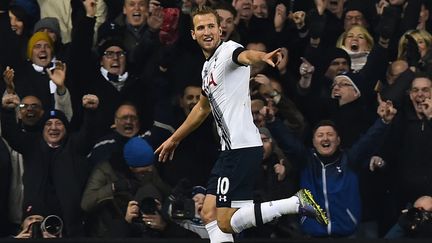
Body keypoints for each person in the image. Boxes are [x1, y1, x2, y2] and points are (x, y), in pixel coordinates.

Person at [156, 6, 327, 243]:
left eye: (211, 26)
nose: (207, 31)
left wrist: (262, 56)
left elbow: (246, 55)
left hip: (241, 149)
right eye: (201, 27)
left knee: (225, 221)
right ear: (193, 34)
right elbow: (202, 108)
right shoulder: (207, 68)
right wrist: (175, 138)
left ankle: (295, 203)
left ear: (220, 30)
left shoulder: (228, 50)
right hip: (229, 151)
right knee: (208, 214)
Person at [265, 94, 398, 237]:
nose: (325, 138)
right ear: (314, 141)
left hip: (347, 234)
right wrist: (272, 122)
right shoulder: (306, 160)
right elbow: (288, 143)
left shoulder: (349, 160)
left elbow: (368, 142)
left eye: (330, 134)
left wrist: (383, 122)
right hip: (312, 234)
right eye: (320, 135)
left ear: (338, 140)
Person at [1, 93, 100, 237]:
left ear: (66, 129)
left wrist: (91, 112)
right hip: (36, 223)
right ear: (42, 129)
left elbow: (89, 134)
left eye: (58, 123)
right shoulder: (32, 145)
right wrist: (7, 111)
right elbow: (11, 134)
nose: (53, 127)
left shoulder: (74, 146)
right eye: (48, 123)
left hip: (69, 226)